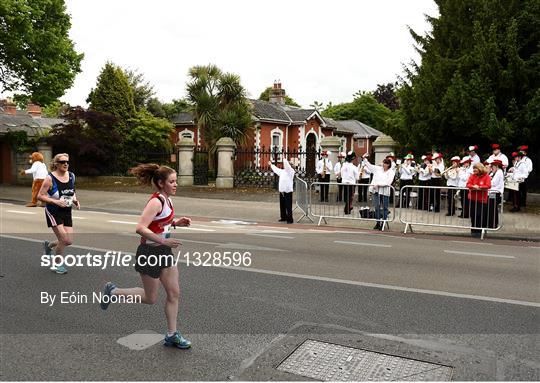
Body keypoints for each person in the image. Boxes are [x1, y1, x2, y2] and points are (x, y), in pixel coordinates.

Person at [99, 164, 192, 349]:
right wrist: (163, 241)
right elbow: (140, 227)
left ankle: (172, 335)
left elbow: (160, 222)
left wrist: (176, 223)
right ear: (160, 183)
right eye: (172, 182)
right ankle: (114, 292)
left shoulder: (168, 200)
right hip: (149, 253)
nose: (176, 185)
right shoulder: (156, 201)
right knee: (150, 299)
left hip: (164, 252)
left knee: (174, 293)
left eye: (176, 181)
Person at [37, 153, 80, 275]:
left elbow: (72, 191)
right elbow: (39, 196)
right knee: (63, 239)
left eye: (67, 162)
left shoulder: (71, 176)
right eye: (62, 162)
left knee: (69, 241)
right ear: (56, 164)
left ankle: (49, 246)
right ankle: (58, 265)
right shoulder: (50, 178)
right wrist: (56, 201)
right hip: (53, 211)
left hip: (66, 210)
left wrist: (75, 200)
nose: (65, 164)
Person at [361, 156, 395, 230]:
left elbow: (388, 182)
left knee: (385, 208)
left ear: (388, 165)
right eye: (383, 163)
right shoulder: (378, 169)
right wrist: (364, 159)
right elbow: (370, 166)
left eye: (385, 163)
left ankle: (383, 222)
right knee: (377, 207)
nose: (383, 165)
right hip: (376, 191)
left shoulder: (391, 172)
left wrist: (379, 184)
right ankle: (378, 222)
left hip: (384, 191)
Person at [466, 162, 491, 238]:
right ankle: (473, 231)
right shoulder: (472, 176)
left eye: (475, 169)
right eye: (473, 169)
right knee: (473, 215)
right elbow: (468, 184)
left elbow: (488, 185)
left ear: (480, 169)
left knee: (480, 215)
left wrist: (479, 187)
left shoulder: (486, 176)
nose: (474, 170)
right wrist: (473, 186)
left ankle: (480, 232)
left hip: (482, 199)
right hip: (473, 198)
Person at [268, 158, 295, 223]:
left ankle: (290, 219)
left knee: (288, 205)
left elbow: (287, 166)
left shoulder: (291, 171)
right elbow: (276, 170)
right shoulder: (283, 171)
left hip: (288, 191)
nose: (285, 166)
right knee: (282, 205)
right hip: (282, 191)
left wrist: (284, 159)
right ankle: (283, 217)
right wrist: (271, 165)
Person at [487, 159, 504, 228]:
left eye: (493, 166)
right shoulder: (494, 172)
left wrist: (488, 180)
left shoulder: (499, 172)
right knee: (491, 208)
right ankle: (491, 223)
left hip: (495, 193)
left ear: (497, 166)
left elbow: (493, 183)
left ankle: (492, 224)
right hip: (492, 192)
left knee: (492, 209)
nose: (491, 167)